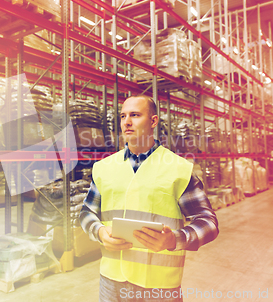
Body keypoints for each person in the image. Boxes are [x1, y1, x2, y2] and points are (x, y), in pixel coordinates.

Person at [80, 95, 219, 302]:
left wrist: (174, 239)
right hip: (111, 281)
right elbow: (86, 212)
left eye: (135, 115)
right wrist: (99, 232)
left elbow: (208, 224)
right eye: (123, 116)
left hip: (159, 287)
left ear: (153, 121)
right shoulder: (104, 168)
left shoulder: (178, 169)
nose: (127, 122)